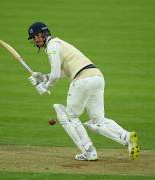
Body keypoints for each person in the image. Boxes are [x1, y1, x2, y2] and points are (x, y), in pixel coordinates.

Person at [27, 22, 139, 161]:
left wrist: (45, 86)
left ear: (44, 34)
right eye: (34, 37)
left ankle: (89, 151)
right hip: (97, 78)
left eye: (37, 36)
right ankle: (127, 137)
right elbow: (61, 72)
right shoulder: (59, 43)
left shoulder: (52, 46)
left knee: (70, 116)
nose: (35, 40)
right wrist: (43, 77)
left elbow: (55, 76)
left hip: (82, 80)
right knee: (98, 119)